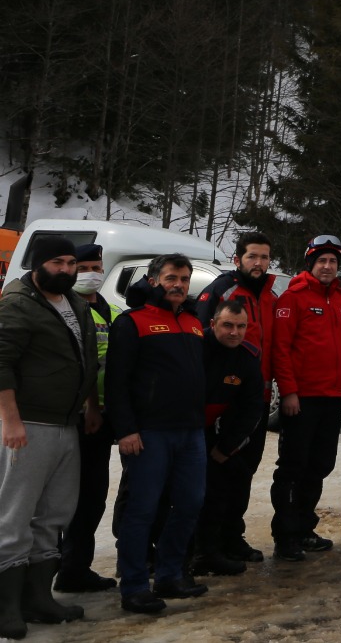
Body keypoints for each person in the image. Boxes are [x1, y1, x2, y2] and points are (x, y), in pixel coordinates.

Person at [0, 235, 98, 635]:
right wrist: (10, 420)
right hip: (28, 423)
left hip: (66, 423)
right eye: (58, 262)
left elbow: (87, 358)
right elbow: (1, 361)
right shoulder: (18, 303)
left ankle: (38, 598)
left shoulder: (74, 302)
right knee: (14, 514)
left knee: (55, 512)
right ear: (38, 264)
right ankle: (6, 607)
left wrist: (91, 404)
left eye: (71, 263)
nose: (67, 270)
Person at [107, 253, 209, 614]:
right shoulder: (132, 322)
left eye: (184, 278)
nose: (178, 285)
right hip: (149, 434)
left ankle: (169, 574)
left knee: (189, 504)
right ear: (154, 281)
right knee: (143, 509)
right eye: (171, 278)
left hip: (191, 432)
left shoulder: (194, 323)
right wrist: (126, 430)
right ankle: (134, 586)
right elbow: (116, 382)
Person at [190, 231, 275, 565]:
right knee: (215, 472)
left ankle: (231, 536)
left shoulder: (270, 295)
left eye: (264, 257)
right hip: (220, 397)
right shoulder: (221, 290)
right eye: (252, 256)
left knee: (243, 470)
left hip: (256, 394)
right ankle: (205, 544)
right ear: (238, 259)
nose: (259, 263)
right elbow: (203, 340)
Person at [269, 235, 341, 561]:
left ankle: (304, 528)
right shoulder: (293, 298)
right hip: (302, 399)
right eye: (322, 261)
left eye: (332, 261)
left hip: (331, 398)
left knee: (320, 465)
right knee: (293, 467)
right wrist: (288, 391)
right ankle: (285, 536)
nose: (328, 266)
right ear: (311, 264)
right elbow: (281, 350)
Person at [54, 243, 119, 593]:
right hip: (73, 416)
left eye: (96, 267)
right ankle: (62, 566)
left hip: (103, 416)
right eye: (82, 268)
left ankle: (75, 566)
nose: (90, 274)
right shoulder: (65, 309)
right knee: (66, 497)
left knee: (93, 496)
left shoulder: (110, 310)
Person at [191, 298, 265, 577]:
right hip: (182, 428)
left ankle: (218, 547)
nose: (234, 332)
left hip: (217, 432)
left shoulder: (247, 357)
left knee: (230, 480)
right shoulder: (195, 347)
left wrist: (227, 447)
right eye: (227, 326)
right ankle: (179, 553)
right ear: (212, 324)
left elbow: (252, 408)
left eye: (241, 326)